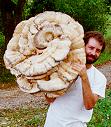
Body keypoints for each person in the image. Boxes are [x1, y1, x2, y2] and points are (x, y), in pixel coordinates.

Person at [44, 31, 107, 127]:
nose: (93, 53)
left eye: (98, 50)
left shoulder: (100, 78)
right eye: (91, 48)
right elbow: (50, 99)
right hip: (53, 123)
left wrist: (84, 77)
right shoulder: (62, 67)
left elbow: (89, 105)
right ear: (83, 46)